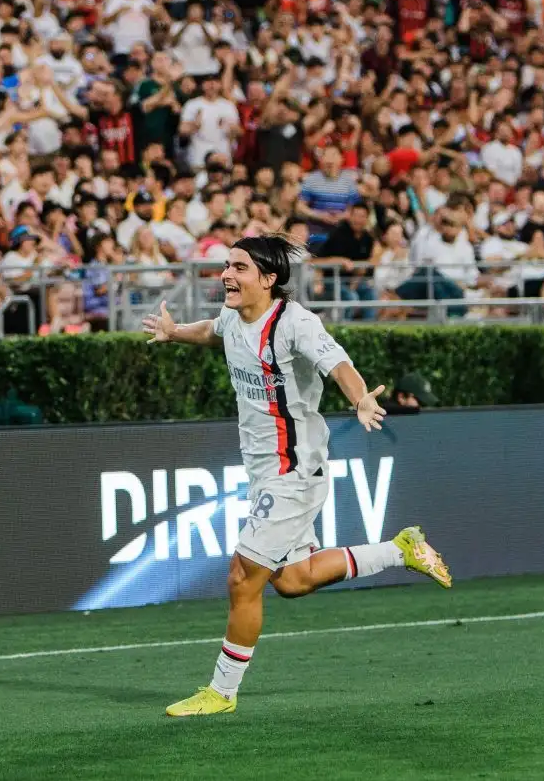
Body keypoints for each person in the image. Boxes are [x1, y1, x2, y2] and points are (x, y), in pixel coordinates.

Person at [142, 234, 451, 717]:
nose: (227, 274)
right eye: (227, 266)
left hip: (295, 470)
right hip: (266, 473)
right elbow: (214, 331)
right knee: (292, 580)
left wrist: (361, 398)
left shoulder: (296, 324)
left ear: (268, 279)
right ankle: (401, 549)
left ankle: (220, 692)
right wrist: (176, 331)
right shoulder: (235, 315)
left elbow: (338, 364)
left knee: (243, 577)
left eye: (239, 268)